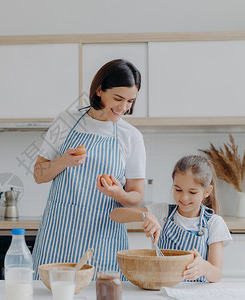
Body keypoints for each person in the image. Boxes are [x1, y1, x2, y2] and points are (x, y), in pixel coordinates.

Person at [32, 59, 146, 279]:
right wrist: (63, 161)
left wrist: (118, 193)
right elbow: (38, 174)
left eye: (130, 101)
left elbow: (136, 197)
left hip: (103, 240)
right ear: (99, 90)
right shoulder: (65, 122)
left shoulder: (131, 136)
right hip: (58, 236)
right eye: (118, 99)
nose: (124, 108)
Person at [110, 155, 232, 282]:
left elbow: (216, 274)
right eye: (178, 189)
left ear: (207, 191)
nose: (184, 197)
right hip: (161, 290)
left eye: (192, 192)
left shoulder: (214, 223)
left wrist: (205, 267)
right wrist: (144, 215)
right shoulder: (161, 212)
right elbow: (115, 215)